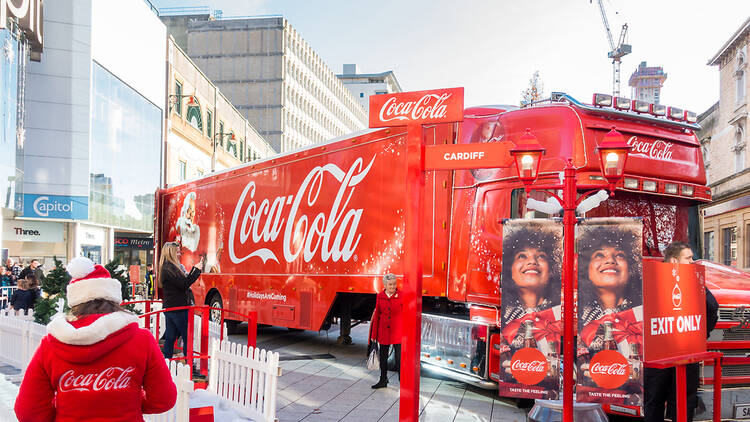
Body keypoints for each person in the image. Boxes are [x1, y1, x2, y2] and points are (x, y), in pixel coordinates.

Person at [14, 256, 176, 421]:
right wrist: (131, 403)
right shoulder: (141, 340)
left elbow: (27, 411)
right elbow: (164, 399)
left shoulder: (51, 343)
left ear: (75, 300)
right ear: (112, 297)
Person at [643, 242, 719, 422]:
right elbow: (712, 308)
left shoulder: (651, 277)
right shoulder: (654, 277)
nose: (693, 262)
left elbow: (712, 307)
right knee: (670, 401)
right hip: (669, 353)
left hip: (667, 351)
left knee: (668, 402)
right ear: (675, 260)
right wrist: (697, 337)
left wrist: (698, 336)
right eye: (689, 258)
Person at [577, 225, 642, 353]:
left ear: (630, 269)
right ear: (587, 268)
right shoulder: (578, 314)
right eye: (599, 255)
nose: (610, 260)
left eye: (619, 255)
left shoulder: (643, 312)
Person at [159, 241, 203, 360]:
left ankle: (167, 362)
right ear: (171, 253)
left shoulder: (167, 267)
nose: (179, 254)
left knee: (170, 337)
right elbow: (184, 284)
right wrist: (196, 270)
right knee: (186, 336)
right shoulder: (170, 268)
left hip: (172, 307)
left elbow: (183, 283)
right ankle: (189, 364)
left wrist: (194, 271)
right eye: (177, 251)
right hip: (178, 307)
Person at [370, 273, 402, 389]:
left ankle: (402, 381)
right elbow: (377, 315)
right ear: (385, 285)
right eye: (390, 284)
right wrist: (374, 334)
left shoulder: (402, 295)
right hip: (384, 331)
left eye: (394, 284)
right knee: (383, 357)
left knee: (399, 358)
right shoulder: (380, 296)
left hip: (398, 331)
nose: (393, 287)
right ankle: (383, 380)